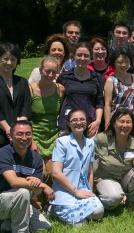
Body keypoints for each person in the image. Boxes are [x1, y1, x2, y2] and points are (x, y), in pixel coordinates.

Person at [51, 109, 104, 226]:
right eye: (74, 120)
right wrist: (75, 192)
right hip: (66, 190)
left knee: (98, 212)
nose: (78, 123)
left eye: (82, 119)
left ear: (86, 122)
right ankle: (55, 210)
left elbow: (90, 171)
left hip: (82, 190)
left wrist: (88, 192)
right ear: (69, 124)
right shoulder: (62, 142)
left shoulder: (90, 143)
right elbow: (56, 173)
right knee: (81, 225)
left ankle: (76, 214)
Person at [0, 121, 53, 233]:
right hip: (2, 200)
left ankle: (6, 225)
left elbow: (36, 192)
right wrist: (43, 185)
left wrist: (37, 185)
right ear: (11, 135)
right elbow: (13, 181)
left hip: (21, 203)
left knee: (44, 228)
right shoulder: (3, 153)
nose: (24, 138)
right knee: (23, 192)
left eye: (28, 134)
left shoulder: (37, 159)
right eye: (19, 134)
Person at [93, 108, 134, 211]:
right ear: (114, 123)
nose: (125, 125)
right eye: (121, 121)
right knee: (113, 199)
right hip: (106, 177)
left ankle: (132, 201)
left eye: (128, 122)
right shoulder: (101, 139)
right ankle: (100, 198)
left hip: (125, 177)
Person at [29, 56, 64, 190]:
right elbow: (26, 116)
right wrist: (31, 140)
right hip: (35, 136)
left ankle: (48, 201)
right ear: (40, 70)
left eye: (54, 72)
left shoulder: (59, 90)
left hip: (53, 137)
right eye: (47, 71)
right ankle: (36, 204)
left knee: (51, 172)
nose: (50, 75)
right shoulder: (30, 90)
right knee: (39, 171)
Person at [57, 42, 104, 138]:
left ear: (91, 57)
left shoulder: (97, 78)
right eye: (79, 55)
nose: (82, 58)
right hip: (67, 124)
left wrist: (98, 121)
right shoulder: (64, 76)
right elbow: (59, 100)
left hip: (90, 125)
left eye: (86, 55)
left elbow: (99, 102)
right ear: (74, 56)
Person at [0, 43, 31, 147]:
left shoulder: (22, 82)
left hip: (20, 138)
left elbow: (26, 105)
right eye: (5, 58)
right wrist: (8, 130)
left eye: (13, 59)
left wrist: (19, 129)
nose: (9, 62)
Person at [103, 49, 134, 129]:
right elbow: (107, 105)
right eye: (120, 62)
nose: (124, 64)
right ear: (114, 62)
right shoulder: (110, 80)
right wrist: (107, 124)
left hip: (133, 119)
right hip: (116, 120)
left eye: (127, 61)